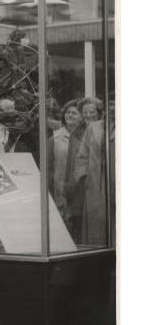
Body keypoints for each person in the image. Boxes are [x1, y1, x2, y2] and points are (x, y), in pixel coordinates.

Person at [73, 97, 109, 246]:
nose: (88, 115)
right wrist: (83, 178)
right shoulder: (91, 128)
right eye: (85, 112)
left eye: (92, 112)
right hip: (93, 183)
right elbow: (81, 156)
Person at [48, 100, 85, 232]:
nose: (69, 115)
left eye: (74, 113)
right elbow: (49, 166)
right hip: (60, 187)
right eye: (68, 112)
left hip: (79, 187)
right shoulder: (55, 138)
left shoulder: (86, 136)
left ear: (81, 117)